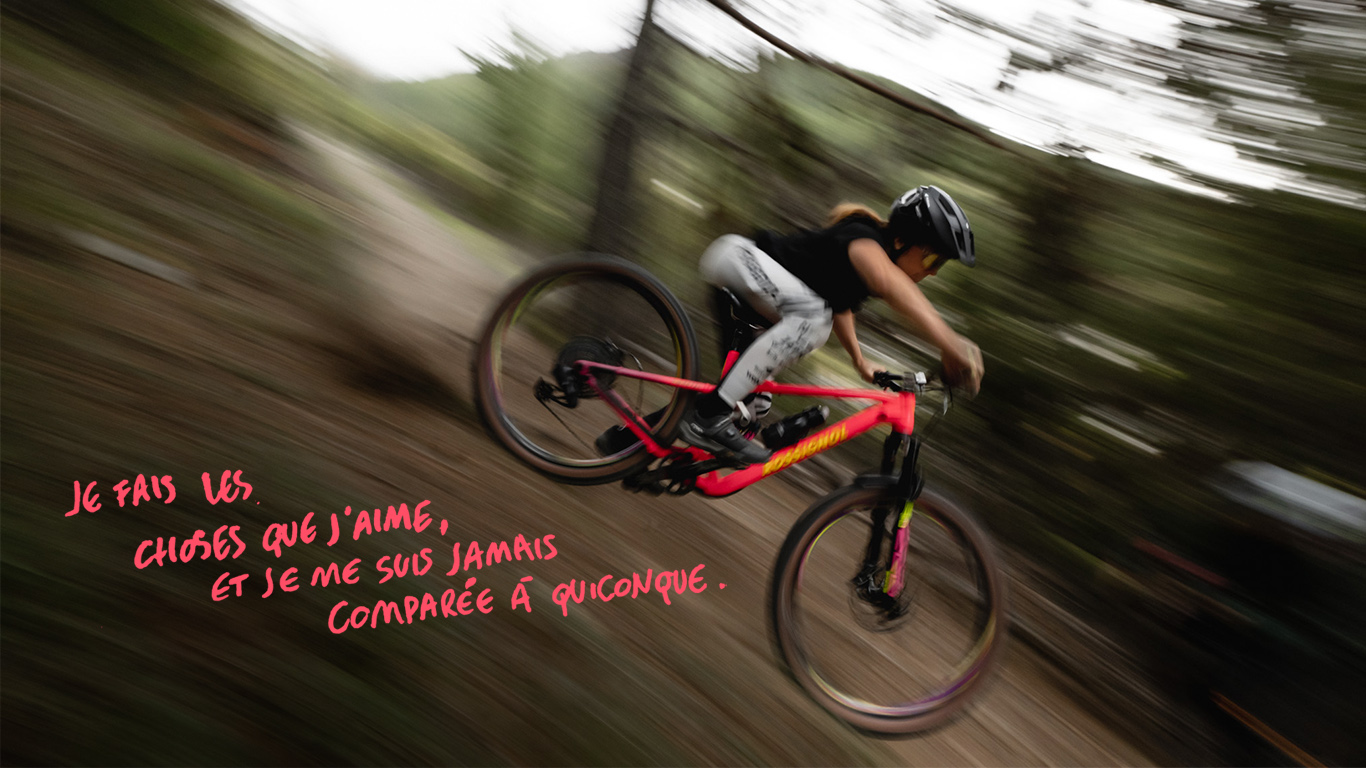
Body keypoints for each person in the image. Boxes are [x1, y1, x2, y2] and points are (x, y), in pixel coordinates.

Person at [679, 185, 985, 464]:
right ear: (902, 240)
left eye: (940, 265)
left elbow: (841, 307)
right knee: (815, 322)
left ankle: (661, 440)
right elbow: (890, 285)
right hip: (739, 259)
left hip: (748, 277)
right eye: (933, 260)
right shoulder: (864, 240)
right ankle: (708, 416)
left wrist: (859, 361)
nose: (933, 272)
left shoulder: (865, 261)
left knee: (751, 408)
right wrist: (951, 344)